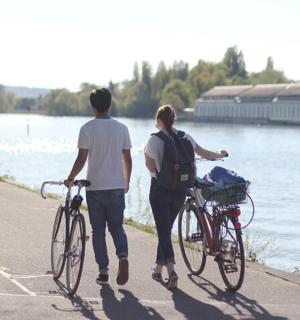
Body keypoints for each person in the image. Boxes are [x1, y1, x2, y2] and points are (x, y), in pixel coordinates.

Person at [144, 105, 227, 289]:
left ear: (158, 120)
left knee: (163, 231)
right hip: (180, 191)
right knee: (165, 230)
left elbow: (150, 167)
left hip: (160, 190)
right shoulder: (186, 137)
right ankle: (158, 269)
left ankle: (171, 271)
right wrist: (220, 154)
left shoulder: (153, 140)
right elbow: (205, 154)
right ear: (174, 119)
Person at [64, 88, 132, 286]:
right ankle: (123, 256)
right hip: (117, 187)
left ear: (92, 106)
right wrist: (126, 182)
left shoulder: (87, 128)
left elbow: (82, 158)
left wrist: (70, 177)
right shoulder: (122, 128)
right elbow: (127, 159)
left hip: (95, 188)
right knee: (117, 227)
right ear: (110, 104)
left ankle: (103, 272)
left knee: (98, 231)